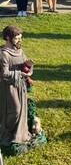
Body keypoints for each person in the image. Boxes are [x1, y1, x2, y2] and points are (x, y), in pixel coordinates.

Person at [0, 26, 46, 155]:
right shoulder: (4, 53)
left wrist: (29, 69)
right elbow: (4, 74)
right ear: (8, 38)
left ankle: (21, 133)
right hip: (9, 88)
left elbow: (25, 63)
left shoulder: (19, 50)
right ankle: (8, 134)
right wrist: (19, 73)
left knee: (22, 109)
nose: (19, 40)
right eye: (16, 38)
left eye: (20, 37)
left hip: (20, 86)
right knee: (14, 111)